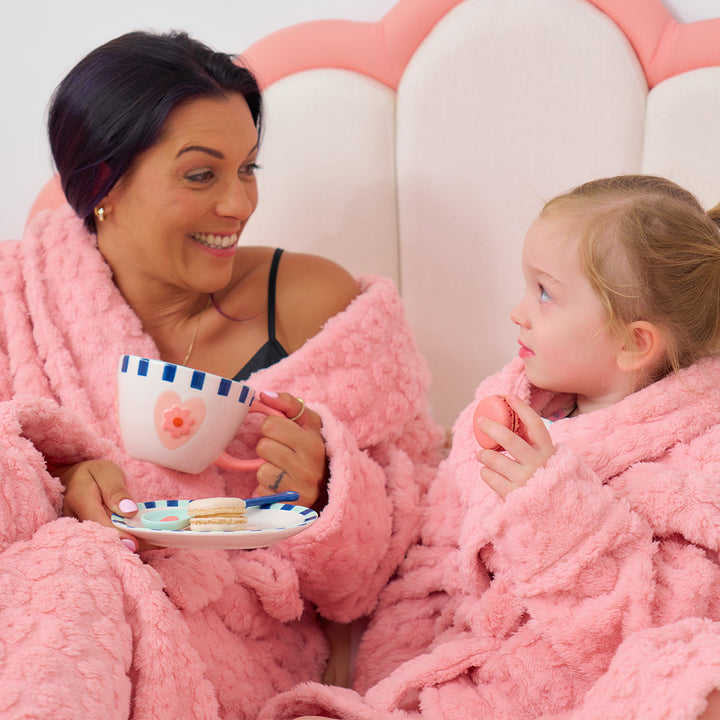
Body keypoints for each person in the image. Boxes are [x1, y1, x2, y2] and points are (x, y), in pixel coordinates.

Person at [0, 31, 445, 718]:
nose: (238, 204)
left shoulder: (309, 305)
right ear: (99, 186)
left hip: (233, 637)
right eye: (203, 175)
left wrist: (330, 487)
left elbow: (417, 523)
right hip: (51, 623)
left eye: (248, 169)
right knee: (73, 565)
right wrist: (56, 474)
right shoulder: (17, 300)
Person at [258, 175, 720, 720]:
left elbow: (664, 628)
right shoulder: (509, 407)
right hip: (454, 685)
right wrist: (329, 485)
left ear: (632, 342)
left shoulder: (697, 461)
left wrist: (555, 512)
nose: (518, 312)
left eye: (545, 293)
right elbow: (427, 552)